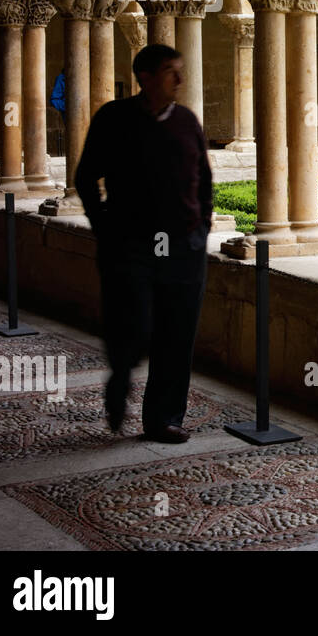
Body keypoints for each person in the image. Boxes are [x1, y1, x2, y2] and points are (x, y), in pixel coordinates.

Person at [75, 44, 212, 442]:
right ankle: (120, 375)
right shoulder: (115, 119)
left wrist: (200, 229)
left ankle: (164, 418)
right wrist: (103, 227)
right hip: (131, 244)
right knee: (132, 325)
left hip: (183, 248)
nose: (180, 80)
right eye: (172, 71)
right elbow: (86, 177)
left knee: (177, 332)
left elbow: (203, 182)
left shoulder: (186, 121)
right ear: (147, 77)